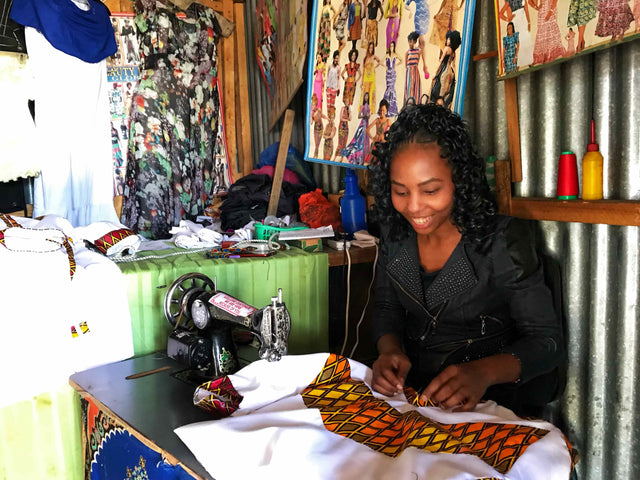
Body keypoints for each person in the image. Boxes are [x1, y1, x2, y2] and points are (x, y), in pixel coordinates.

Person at [368, 103, 564, 415]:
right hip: (418, 399)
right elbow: (386, 308)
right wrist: (389, 350)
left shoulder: (500, 241)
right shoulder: (396, 236)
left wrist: (482, 373)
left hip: (493, 403)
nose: (414, 207)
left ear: (459, 181)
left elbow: (546, 343)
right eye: (400, 192)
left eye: (430, 190)